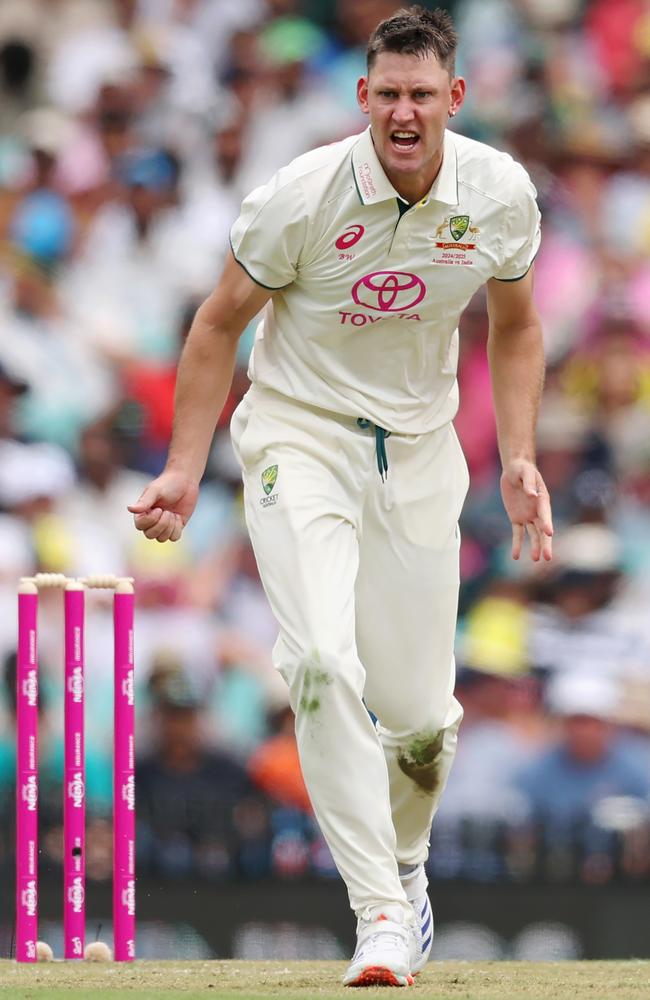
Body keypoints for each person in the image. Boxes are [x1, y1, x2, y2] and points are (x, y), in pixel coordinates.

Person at [129, 6, 553, 987]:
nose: (404, 113)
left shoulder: (495, 194)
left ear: (454, 98)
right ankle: (375, 916)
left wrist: (520, 454)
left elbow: (519, 325)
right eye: (387, 95)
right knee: (319, 663)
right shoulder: (301, 195)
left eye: (422, 95)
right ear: (362, 98)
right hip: (297, 434)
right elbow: (214, 326)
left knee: (418, 726)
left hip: (416, 453)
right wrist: (184, 470)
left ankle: (404, 870)